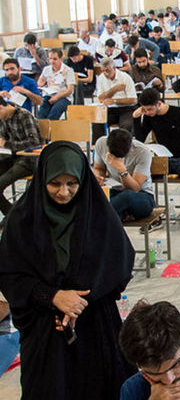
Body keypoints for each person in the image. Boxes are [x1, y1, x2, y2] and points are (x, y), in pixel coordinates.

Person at [0, 141, 135, 399]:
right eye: (55, 184)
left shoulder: (99, 214)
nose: (64, 192)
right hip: (44, 329)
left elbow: (119, 265)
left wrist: (79, 301)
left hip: (95, 325)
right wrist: (52, 296)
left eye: (72, 183)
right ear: (42, 179)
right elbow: (9, 274)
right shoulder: (22, 220)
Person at [133, 88, 180, 220]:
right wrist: (136, 119)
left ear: (159, 104)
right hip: (162, 159)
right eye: (144, 110)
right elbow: (140, 140)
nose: (147, 113)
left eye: (149, 109)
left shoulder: (179, 113)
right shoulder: (149, 117)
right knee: (139, 178)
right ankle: (150, 211)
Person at [93, 128, 154, 221]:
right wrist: (99, 177)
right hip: (115, 191)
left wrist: (121, 170)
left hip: (141, 195)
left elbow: (135, 188)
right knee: (92, 195)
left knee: (127, 196)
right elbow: (99, 168)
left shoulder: (142, 152)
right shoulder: (101, 143)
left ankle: (100, 216)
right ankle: (115, 216)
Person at [0, 98, 40, 222]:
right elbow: (3, 139)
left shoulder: (24, 115)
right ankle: (14, 217)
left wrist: (7, 144)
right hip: (11, 157)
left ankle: (13, 219)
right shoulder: (4, 119)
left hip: (28, 159)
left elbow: (34, 143)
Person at [94, 57, 138, 141]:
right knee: (97, 122)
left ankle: (123, 146)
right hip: (110, 109)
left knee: (126, 125)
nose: (105, 74)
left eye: (107, 71)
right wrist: (114, 89)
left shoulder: (125, 77)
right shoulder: (101, 78)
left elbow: (133, 100)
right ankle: (99, 146)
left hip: (126, 109)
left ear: (114, 68)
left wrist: (114, 101)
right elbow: (100, 98)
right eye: (103, 71)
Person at [36, 49, 75, 120]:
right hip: (49, 95)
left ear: (61, 59)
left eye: (55, 59)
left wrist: (57, 97)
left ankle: (52, 126)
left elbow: (69, 90)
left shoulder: (68, 70)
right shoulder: (46, 69)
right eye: (50, 59)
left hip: (63, 97)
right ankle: (42, 126)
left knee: (54, 113)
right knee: (41, 113)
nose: (52, 61)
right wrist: (41, 83)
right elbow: (39, 83)